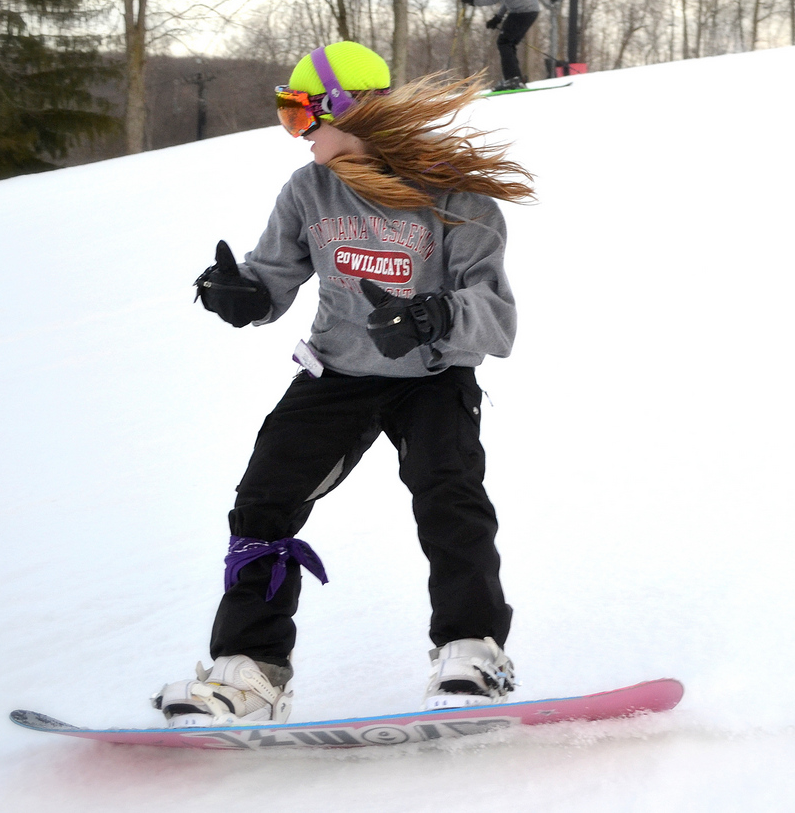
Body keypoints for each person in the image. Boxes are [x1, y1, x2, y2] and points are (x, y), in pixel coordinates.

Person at [154, 41, 535, 728]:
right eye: (288, 119)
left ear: (350, 112)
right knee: (264, 500)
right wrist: (241, 292)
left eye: (301, 118)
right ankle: (250, 669)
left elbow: (497, 320)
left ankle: (472, 650)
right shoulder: (309, 191)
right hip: (337, 371)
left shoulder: (457, 194)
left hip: (433, 376)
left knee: (449, 495)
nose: (296, 137)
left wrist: (434, 315)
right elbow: (272, 279)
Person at [461, 0, 540, 91]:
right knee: (508, 43)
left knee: (504, 42)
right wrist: (498, 18)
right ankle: (516, 78)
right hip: (529, 11)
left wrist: (472, 1)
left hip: (522, 12)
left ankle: (512, 80)